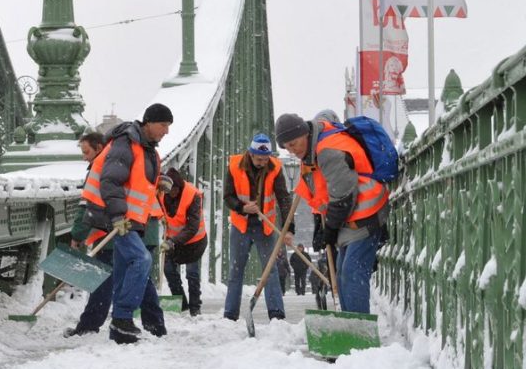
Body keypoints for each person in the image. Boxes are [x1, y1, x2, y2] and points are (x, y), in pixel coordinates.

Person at [275, 111, 389, 315]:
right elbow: (318, 194)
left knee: (352, 273)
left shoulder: (327, 150)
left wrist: (331, 229)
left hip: (365, 213)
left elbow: (343, 195)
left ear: (304, 134)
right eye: (287, 147)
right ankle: (348, 323)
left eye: (294, 143)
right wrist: (321, 226)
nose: (292, 151)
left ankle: (358, 329)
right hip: (351, 218)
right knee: (340, 274)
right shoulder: (311, 153)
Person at [83, 103, 173, 344]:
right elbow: (111, 180)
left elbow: (134, 182)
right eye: (163, 125)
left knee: (124, 268)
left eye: (168, 126)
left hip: (131, 219)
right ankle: (122, 319)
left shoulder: (147, 149)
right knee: (141, 259)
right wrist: (117, 216)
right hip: (118, 217)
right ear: (149, 122)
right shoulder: (126, 143)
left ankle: (119, 332)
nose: (166, 131)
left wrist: (159, 182)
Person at [66, 131, 163, 338]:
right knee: (140, 279)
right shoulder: (129, 155)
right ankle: (154, 325)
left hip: (118, 229)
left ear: (99, 148)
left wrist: (77, 235)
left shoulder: (104, 164)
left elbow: (88, 204)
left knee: (103, 280)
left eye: (86, 152)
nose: (84, 157)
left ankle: (90, 326)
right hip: (143, 225)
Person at [221, 133, 292, 322]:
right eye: (259, 159)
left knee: (271, 270)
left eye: (266, 158)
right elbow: (227, 196)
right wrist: (242, 207)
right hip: (241, 225)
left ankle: (277, 315)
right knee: (236, 271)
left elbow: (284, 199)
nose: (262, 162)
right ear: (251, 154)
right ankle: (230, 315)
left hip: (265, 226)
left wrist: (288, 229)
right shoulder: (235, 166)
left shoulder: (275, 168)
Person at [157, 168, 207, 316]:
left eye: (173, 190)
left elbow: (192, 227)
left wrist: (173, 241)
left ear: (179, 188)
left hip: (194, 241)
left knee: (192, 274)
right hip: (173, 240)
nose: (170, 193)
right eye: (168, 190)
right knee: (169, 270)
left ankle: (195, 308)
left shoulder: (193, 195)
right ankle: (182, 305)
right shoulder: (161, 193)